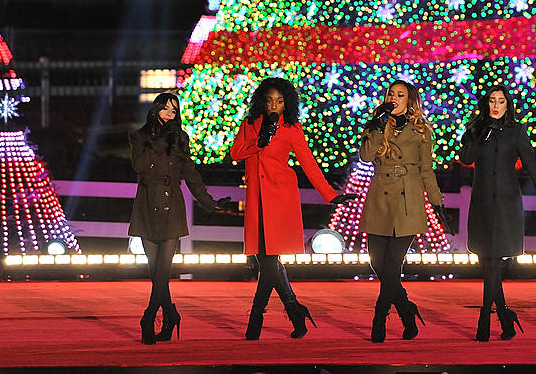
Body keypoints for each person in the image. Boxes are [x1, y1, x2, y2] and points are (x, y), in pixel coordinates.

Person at [231, 77, 355, 340]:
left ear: (287, 102)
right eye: (269, 101)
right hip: (257, 200)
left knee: (269, 261)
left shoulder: (291, 128)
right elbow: (236, 153)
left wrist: (331, 196)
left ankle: (256, 319)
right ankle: (295, 310)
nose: (274, 105)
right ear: (261, 102)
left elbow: (309, 165)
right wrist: (258, 143)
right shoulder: (249, 124)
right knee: (267, 260)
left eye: (279, 101)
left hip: (280, 198)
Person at [460, 85, 536, 341]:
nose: (496, 105)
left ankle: (485, 317)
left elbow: (532, 166)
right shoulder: (476, 129)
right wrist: (482, 134)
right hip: (483, 205)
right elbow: (466, 158)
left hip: (507, 205)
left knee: (496, 263)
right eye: (492, 100)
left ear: (508, 105)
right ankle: (506, 317)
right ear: (485, 104)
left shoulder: (516, 131)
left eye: (501, 101)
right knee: (487, 263)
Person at [129, 92, 231, 345]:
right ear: (155, 110)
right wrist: (163, 141)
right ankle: (171, 315)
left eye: (173, 111)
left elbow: (191, 175)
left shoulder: (181, 139)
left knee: (163, 271)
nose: (169, 114)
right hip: (146, 205)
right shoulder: (139, 136)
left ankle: (149, 317)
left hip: (171, 208)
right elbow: (140, 166)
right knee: (157, 274)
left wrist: (210, 203)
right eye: (165, 109)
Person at [359, 79, 448, 343]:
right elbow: (365, 156)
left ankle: (379, 317)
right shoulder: (376, 125)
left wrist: (437, 201)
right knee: (377, 263)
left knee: (392, 267)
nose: (395, 98)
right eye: (391, 94)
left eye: (401, 94)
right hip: (379, 199)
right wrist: (376, 127)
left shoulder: (421, 130)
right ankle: (408, 311)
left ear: (410, 101)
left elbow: (427, 170)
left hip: (407, 200)